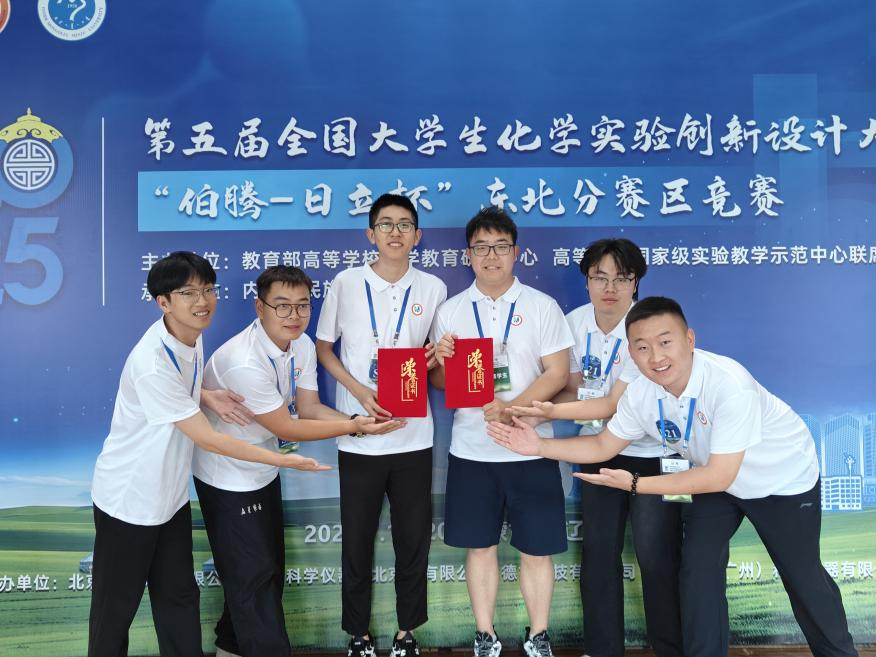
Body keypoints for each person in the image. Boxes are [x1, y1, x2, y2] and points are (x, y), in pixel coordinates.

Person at [489, 296, 858, 657]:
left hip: (780, 480)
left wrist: (636, 485)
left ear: (689, 339)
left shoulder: (729, 385)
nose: (656, 357)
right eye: (642, 347)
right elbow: (603, 444)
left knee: (802, 577)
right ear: (631, 354)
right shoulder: (641, 393)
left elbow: (719, 475)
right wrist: (539, 446)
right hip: (715, 480)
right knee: (697, 572)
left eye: (665, 342)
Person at [89, 252, 333, 657]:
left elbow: (180, 386)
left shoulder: (190, 335)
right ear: (164, 302)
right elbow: (208, 438)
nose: (203, 301)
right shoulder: (152, 362)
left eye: (207, 290)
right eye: (188, 293)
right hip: (128, 501)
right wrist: (281, 459)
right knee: (114, 611)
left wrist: (205, 394)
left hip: (169, 499)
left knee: (180, 599)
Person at [192, 266, 403, 657]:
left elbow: (308, 408)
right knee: (254, 575)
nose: (294, 315)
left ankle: (230, 646)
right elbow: (286, 425)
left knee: (266, 568)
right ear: (260, 307)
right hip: (227, 474)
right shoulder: (244, 361)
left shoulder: (301, 344)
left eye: (302, 305)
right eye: (282, 306)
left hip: (264, 466)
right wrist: (353, 426)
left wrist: (358, 422)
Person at [509, 239, 682, 657]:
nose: (609, 288)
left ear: (635, 282)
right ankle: (602, 649)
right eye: (599, 277)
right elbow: (570, 387)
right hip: (597, 448)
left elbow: (612, 404)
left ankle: (671, 649)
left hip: (656, 453)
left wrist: (546, 412)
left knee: (656, 556)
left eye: (621, 278)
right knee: (599, 552)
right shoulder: (572, 323)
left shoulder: (645, 328)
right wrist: (535, 411)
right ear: (586, 281)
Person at [431, 207, 573, 657]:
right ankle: (485, 635)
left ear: (516, 252)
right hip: (472, 450)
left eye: (500, 247)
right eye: (481, 248)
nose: (490, 256)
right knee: (479, 548)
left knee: (537, 550)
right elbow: (441, 383)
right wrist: (443, 361)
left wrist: (512, 408)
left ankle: (539, 635)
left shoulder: (542, 306)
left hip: (531, 448)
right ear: (468, 255)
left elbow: (558, 372)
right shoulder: (451, 311)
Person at [315, 193, 447, 657]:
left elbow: (437, 362)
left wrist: (432, 360)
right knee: (356, 542)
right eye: (386, 224)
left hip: (413, 437)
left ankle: (407, 631)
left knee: (413, 541)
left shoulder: (433, 288)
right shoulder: (345, 282)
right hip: (359, 434)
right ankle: (358, 634)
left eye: (404, 224)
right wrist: (359, 391)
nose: (395, 232)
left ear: (417, 235)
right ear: (370, 234)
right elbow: (324, 349)